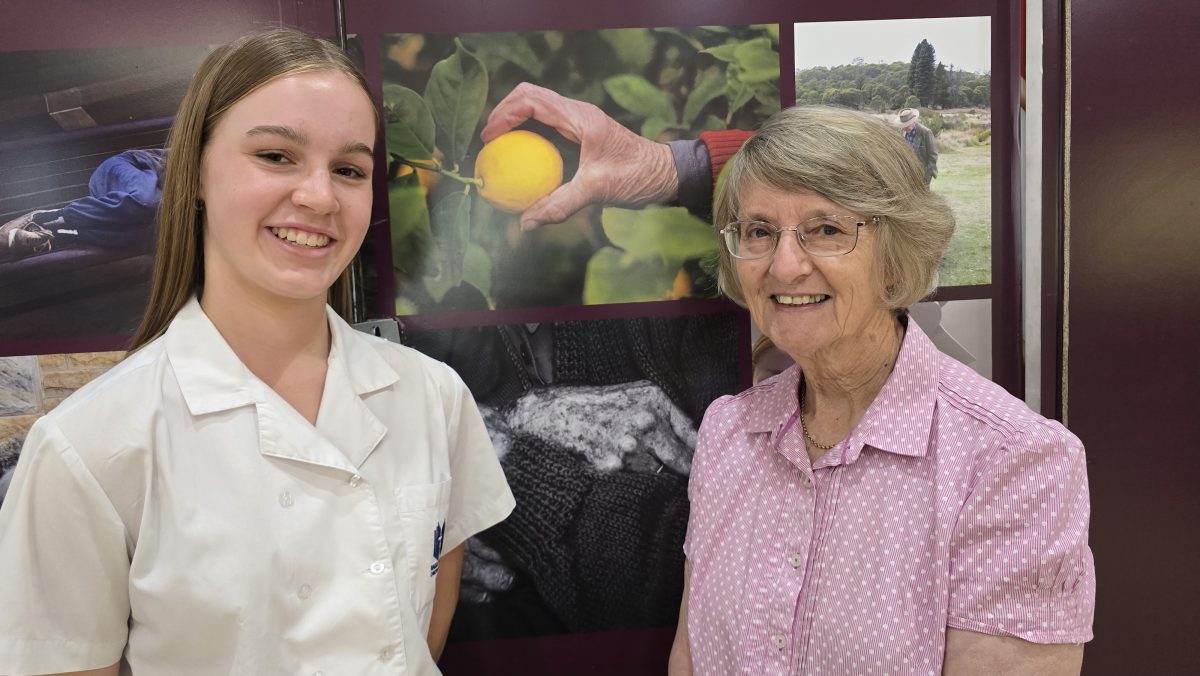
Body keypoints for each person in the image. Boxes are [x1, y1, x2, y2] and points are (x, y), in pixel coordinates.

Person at [0, 27, 513, 676]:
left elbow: (434, 599)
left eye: (349, 170)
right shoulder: (86, 448)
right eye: (276, 156)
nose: (320, 197)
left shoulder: (433, 395)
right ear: (197, 173)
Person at [669, 106, 1093, 674]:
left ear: (896, 253)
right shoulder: (729, 432)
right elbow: (689, 657)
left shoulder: (1012, 463)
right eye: (759, 232)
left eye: (826, 229)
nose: (785, 265)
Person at [899, 107, 939, 186]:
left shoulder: (926, 132)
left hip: (923, 173)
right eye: (904, 125)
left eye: (907, 124)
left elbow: (933, 156)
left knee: (923, 196)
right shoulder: (903, 132)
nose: (905, 127)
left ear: (913, 121)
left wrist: (926, 176)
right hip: (908, 173)